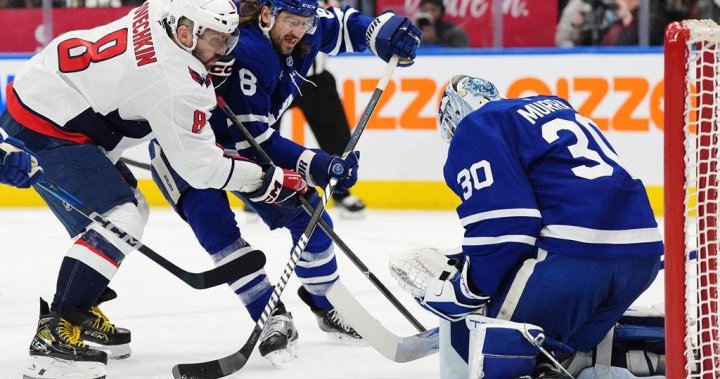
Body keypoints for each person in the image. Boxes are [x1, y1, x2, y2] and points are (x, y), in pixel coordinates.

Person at [0, 0, 309, 377]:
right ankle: (53, 337)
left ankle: (79, 308)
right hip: (50, 124)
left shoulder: (168, 9)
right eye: (215, 41)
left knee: (126, 212)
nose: (222, 51)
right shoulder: (173, 83)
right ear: (185, 33)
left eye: (228, 41)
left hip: (53, 92)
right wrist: (268, 180)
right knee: (120, 216)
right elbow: (201, 168)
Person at [148, 0, 421, 366]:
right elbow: (252, 140)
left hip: (240, 148)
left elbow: (340, 24)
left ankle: (324, 304)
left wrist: (383, 32)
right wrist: (316, 162)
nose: (299, 31)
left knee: (311, 215)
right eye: (291, 21)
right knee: (219, 231)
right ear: (266, 15)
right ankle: (270, 315)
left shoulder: (305, 30)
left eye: (304, 22)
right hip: (184, 149)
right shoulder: (249, 50)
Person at [391, 75, 663, 378]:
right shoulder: (550, 107)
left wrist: (467, 289)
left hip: (576, 258)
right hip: (642, 256)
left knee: (491, 343)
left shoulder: (477, 126)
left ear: (453, 113)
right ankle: (646, 359)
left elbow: (507, 227)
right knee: (568, 353)